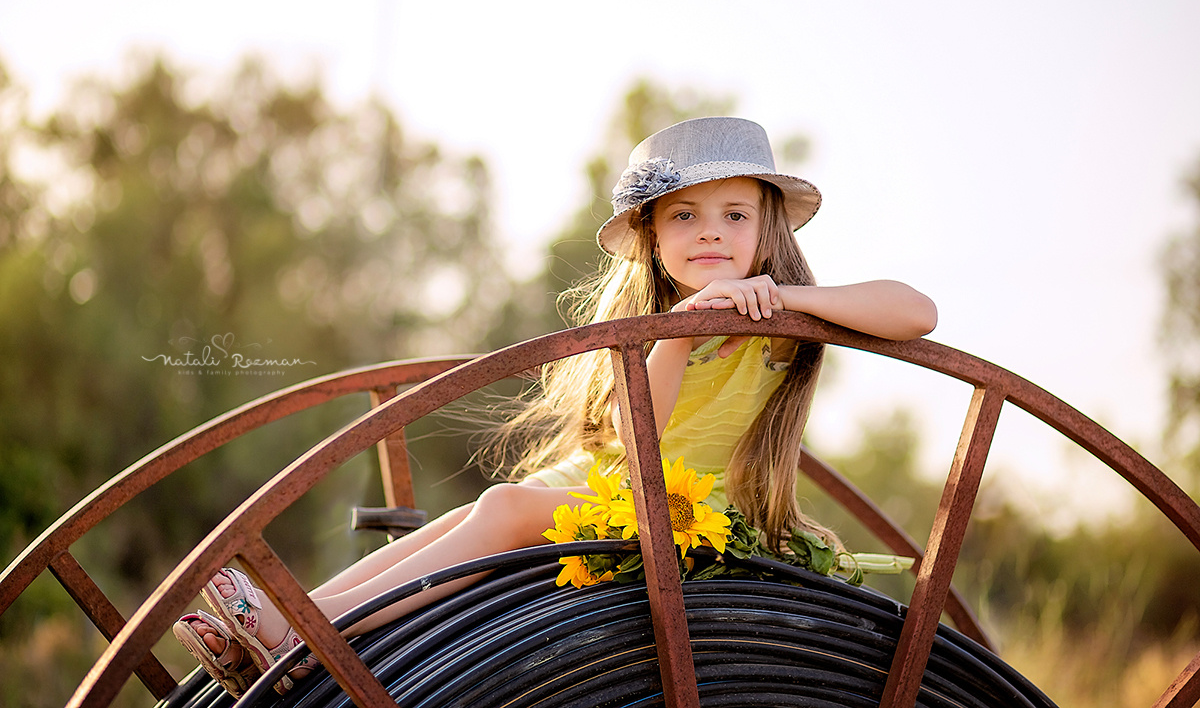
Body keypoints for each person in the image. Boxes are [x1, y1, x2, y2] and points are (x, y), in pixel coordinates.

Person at [173, 116, 937, 696]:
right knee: (459, 523)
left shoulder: (780, 324)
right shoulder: (655, 328)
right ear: (651, 237)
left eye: (735, 215)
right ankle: (292, 617)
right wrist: (677, 330)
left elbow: (917, 311)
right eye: (684, 216)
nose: (711, 232)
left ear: (768, 226)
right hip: (612, 481)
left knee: (502, 509)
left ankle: (306, 636)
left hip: (679, 507)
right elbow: (643, 425)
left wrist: (783, 298)